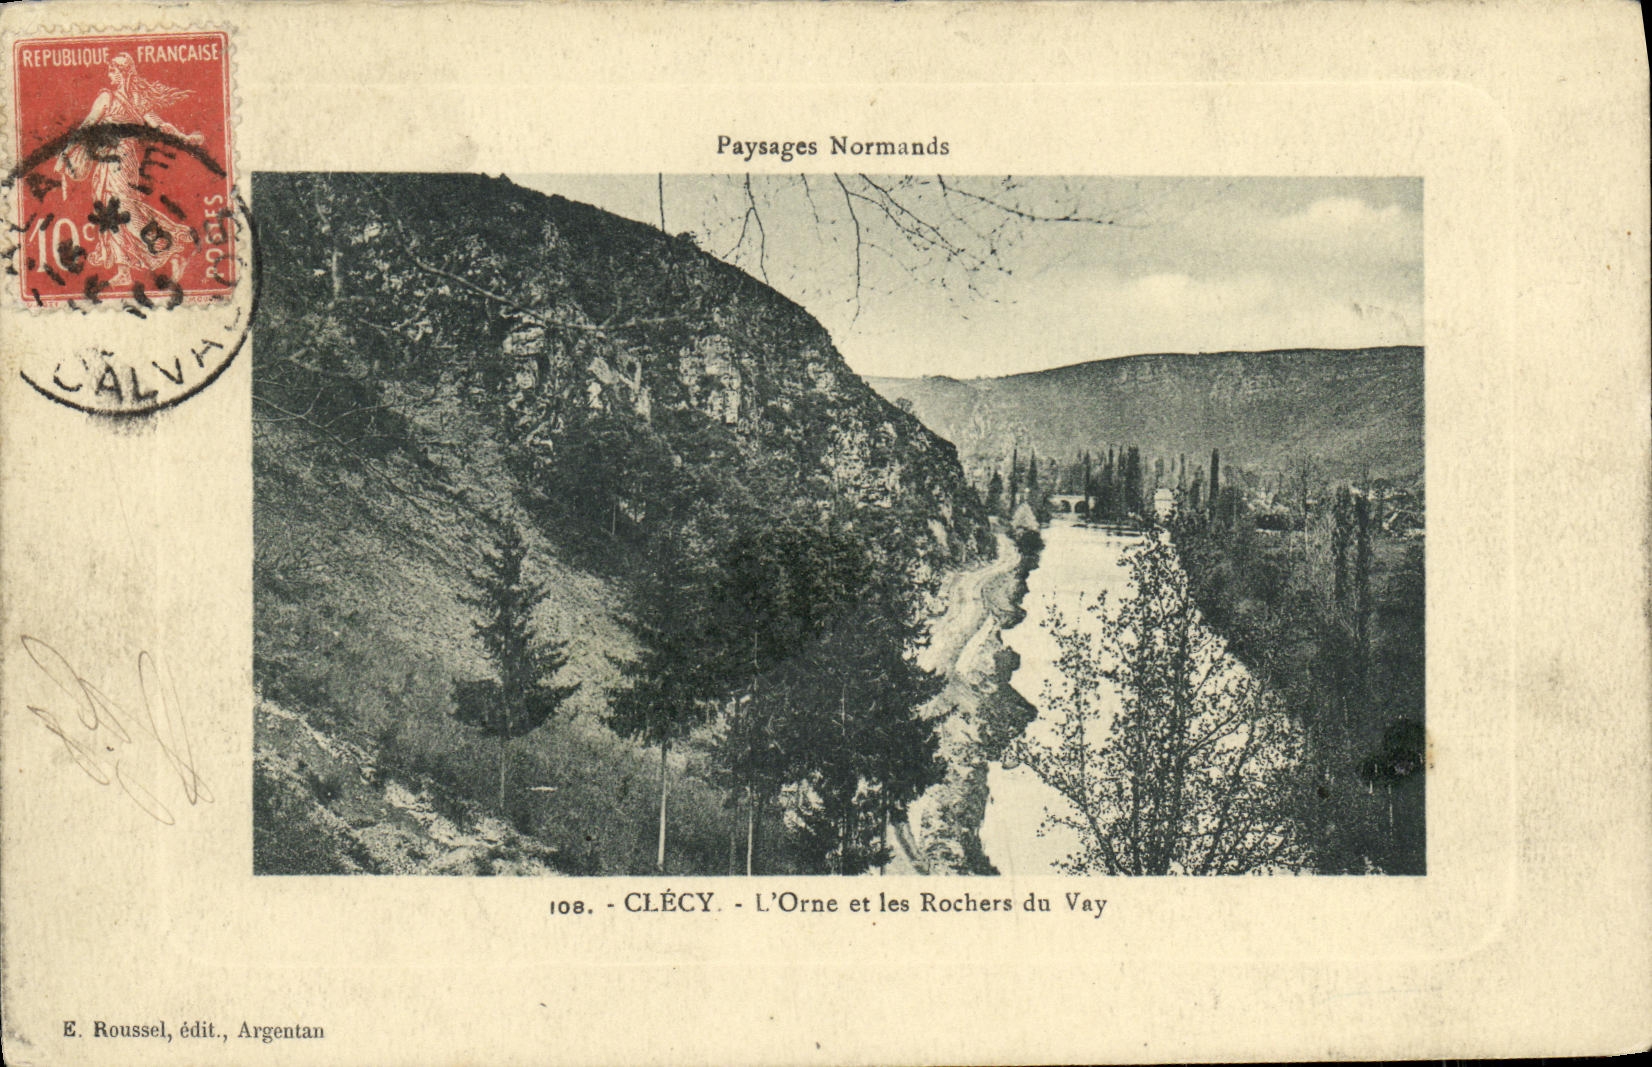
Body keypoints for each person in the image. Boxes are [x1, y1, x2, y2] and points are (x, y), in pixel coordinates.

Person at [54, 53, 201, 288]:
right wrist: (67, 152)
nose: (109, 75)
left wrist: (183, 137)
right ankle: (124, 271)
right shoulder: (111, 97)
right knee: (110, 213)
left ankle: (169, 243)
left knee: (125, 208)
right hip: (106, 160)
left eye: (113, 71)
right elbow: (87, 126)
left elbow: (159, 125)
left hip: (121, 162)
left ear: (123, 73)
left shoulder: (125, 99)